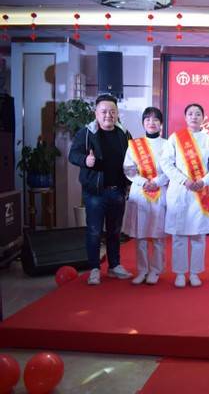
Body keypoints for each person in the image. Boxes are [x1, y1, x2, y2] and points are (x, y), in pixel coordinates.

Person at [68, 94, 133, 285]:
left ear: (117, 113)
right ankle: (94, 269)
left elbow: (132, 159)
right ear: (96, 113)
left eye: (112, 111)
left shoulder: (124, 134)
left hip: (117, 190)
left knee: (115, 231)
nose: (108, 115)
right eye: (104, 111)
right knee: (94, 231)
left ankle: (114, 266)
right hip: (95, 192)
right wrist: (85, 160)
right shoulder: (86, 133)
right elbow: (73, 155)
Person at [160, 103, 209, 288]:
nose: (194, 117)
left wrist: (204, 181)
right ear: (185, 117)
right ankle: (180, 273)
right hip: (180, 191)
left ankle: (194, 273)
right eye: (190, 114)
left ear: (203, 118)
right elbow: (166, 164)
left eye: (198, 114)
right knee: (179, 236)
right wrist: (184, 180)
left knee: (198, 236)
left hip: (201, 193)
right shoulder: (175, 138)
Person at [122, 107, 169, 285]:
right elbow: (128, 168)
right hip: (140, 193)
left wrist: (156, 182)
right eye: (148, 119)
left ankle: (155, 270)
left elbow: (171, 168)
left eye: (155, 119)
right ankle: (142, 270)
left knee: (157, 235)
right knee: (140, 235)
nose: (151, 122)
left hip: (160, 191)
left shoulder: (167, 144)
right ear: (143, 123)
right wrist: (143, 182)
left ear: (161, 123)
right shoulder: (134, 145)